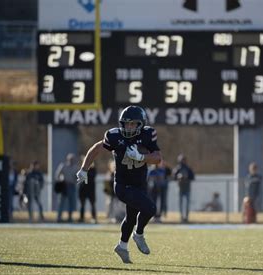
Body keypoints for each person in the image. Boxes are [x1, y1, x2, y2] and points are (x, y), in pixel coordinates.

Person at [77, 105, 162, 264]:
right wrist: (84, 169)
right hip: (122, 185)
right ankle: (139, 234)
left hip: (139, 185)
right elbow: (96, 148)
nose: (129, 127)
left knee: (131, 217)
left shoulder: (148, 134)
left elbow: (158, 158)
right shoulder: (114, 135)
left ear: (141, 124)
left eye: (133, 124)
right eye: (126, 123)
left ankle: (122, 247)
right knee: (150, 209)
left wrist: (141, 157)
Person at [55, 153, 79, 223]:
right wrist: (60, 181)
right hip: (64, 186)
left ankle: (70, 218)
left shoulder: (76, 167)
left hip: (72, 186)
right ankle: (59, 218)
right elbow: (57, 175)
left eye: (73, 159)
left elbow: (77, 177)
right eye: (70, 159)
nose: (71, 160)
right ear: (67, 159)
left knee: (71, 203)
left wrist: (76, 181)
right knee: (61, 202)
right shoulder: (63, 166)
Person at [172, 154, 195, 223]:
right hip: (180, 188)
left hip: (187, 188)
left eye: (183, 160)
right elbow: (173, 177)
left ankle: (186, 217)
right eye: (181, 160)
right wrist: (179, 177)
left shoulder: (188, 168)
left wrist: (186, 177)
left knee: (187, 204)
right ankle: (181, 217)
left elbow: (193, 177)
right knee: (180, 204)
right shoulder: (177, 168)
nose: (182, 161)